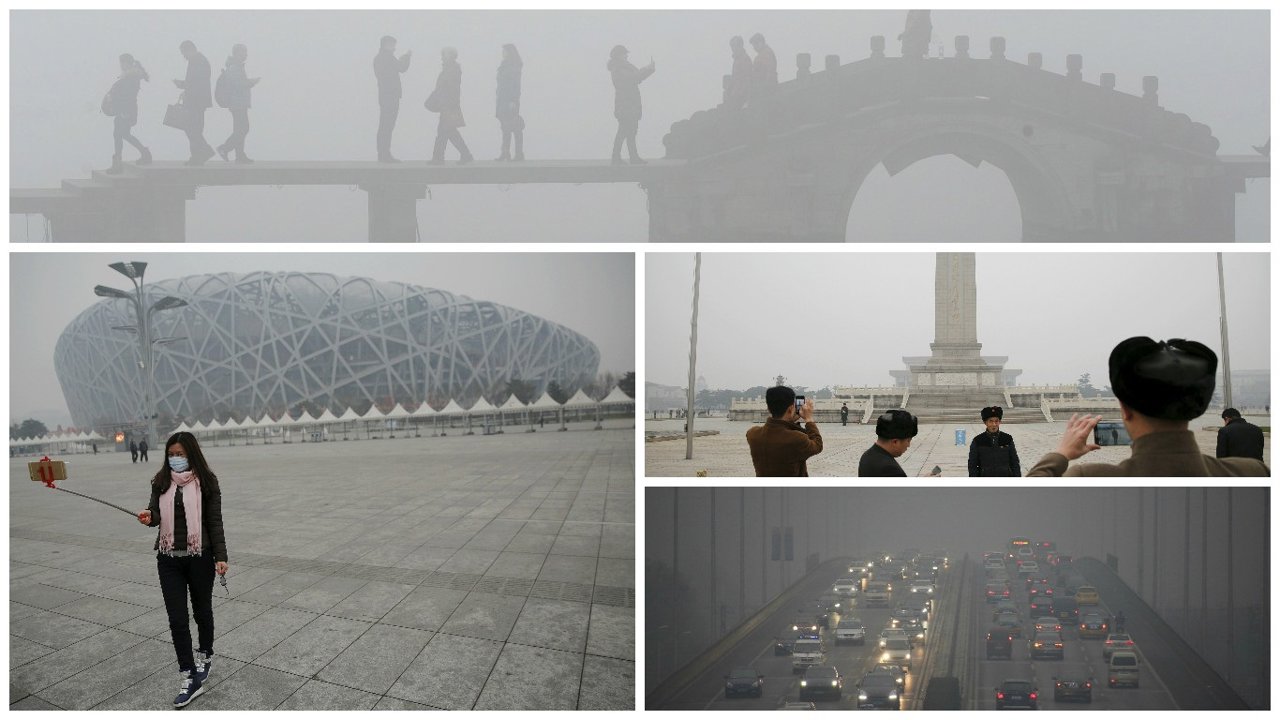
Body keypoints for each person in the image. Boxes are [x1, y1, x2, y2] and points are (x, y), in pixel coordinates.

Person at [1027, 337, 1269, 476]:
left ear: (1124, 409)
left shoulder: (1089, 477)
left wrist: (1062, 453)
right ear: (1197, 406)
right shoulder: (1252, 472)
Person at [136, 432, 227, 708]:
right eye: (171, 454)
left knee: (202, 611)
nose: (175, 459)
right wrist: (149, 516)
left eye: (180, 454)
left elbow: (215, 521)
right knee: (177, 619)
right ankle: (189, 676)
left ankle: (205, 656)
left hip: (200, 557)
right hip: (169, 560)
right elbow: (156, 513)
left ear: (191, 453)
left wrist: (221, 556)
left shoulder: (207, 482)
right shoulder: (161, 481)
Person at [745, 385, 823, 476]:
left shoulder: (753, 434)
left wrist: (790, 420)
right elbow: (817, 445)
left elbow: (781, 431)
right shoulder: (796, 439)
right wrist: (809, 419)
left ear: (769, 409)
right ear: (790, 409)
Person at [103, 53, 152, 174]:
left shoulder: (131, 77)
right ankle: (144, 153)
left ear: (128, 63)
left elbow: (128, 95)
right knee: (122, 134)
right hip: (124, 109)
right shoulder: (129, 76)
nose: (121, 65)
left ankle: (118, 165)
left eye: (123, 62)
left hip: (126, 110)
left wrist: (121, 109)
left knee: (120, 134)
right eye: (120, 62)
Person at [607, 45, 655, 165]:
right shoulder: (618, 68)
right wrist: (647, 69)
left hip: (629, 104)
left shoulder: (621, 67)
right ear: (618, 55)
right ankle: (618, 158)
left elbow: (636, 77)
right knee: (624, 131)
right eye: (624, 54)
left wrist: (649, 70)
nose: (626, 55)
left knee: (630, 132)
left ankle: (631, 157)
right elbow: (633, 78)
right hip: (625, 105)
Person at [215, 44, 260, 164]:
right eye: (243, 52)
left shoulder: (236, 67)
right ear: (236, 54)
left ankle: (240, 156)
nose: (245, 54)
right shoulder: (234, 68)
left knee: (239, 129)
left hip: (238, 103)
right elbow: (239, 85)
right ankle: (225, 148)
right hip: (237, 103)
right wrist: (252, 82)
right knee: (243, 128)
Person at [427, 47, 473, 164]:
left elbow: (451, 89)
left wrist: (449, 103)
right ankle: (442, 157)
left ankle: (440, 158)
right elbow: (441, 88)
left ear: (452, 56)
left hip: (449, 105)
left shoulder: (452, 69)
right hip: (446, 105)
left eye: (445, 54)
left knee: (446, 131)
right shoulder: (448, 69)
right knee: (446, 131)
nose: (442, 56)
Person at [174, 41, 215, 165]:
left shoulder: (198, 61)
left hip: (196, 101)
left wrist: (183, 85)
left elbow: (196, 83)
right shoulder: (200, 60)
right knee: (193, 128)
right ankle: (200, 155)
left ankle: (199, 155)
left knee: (192, 128)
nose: (184, 56)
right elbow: (196, 82)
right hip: (198, 100)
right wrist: (185, 87)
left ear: (189, 50)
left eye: (184, 53)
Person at [374, 35, 412, 162]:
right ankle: (385, 154)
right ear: (386, 44)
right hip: (390, 97)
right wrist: (407, 57)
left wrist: (401, 59)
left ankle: (383, 154)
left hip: (385, 96)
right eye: (392, 44)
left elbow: (397, 67)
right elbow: (402, 68)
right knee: (387, 126)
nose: (394, 47)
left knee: (385, 125)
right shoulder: (387, 57)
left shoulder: (380, 58)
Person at [858, 410, 918, 477]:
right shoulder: (891, 471)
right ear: (895, 442)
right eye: (908, 441)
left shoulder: (867, 455)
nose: (908, 445)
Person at [968, 406, 1021, 476]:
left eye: (996, 421)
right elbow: (972, 465)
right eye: (991, 421)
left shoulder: (1007, 439)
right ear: (985, 422)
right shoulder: (978, 440)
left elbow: (1015, 462)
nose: (994, 424)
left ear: (1000, 422)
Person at [495, 44, 524, 161]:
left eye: (505, 51)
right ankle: (505, 153)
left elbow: (516, 85)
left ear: (510, 52)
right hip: (502, 100)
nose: (503, 53)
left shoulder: (514, 67)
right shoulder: (505, 66)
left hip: (510, 100)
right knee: (505, 127)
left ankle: (518, 154)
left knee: (515, 126)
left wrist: (513, 100)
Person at [723, 35, 752, 110]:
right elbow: (735, 78)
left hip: (740, 96)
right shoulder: (737, 60)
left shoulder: (745, 59)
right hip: (735, 94)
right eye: (732, 46)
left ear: (740, 45)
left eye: (734, 46)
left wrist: (747, 99)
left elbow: (747, 79)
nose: (733, 48)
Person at [747, 33, 777, 104]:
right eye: (753, 45)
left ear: (761, 42)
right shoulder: (762, 55)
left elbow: (769, 72)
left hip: (765, 89)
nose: (754, 47)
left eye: (755, 44)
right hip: (761, 87)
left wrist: (765, 87)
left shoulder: (766, 54)